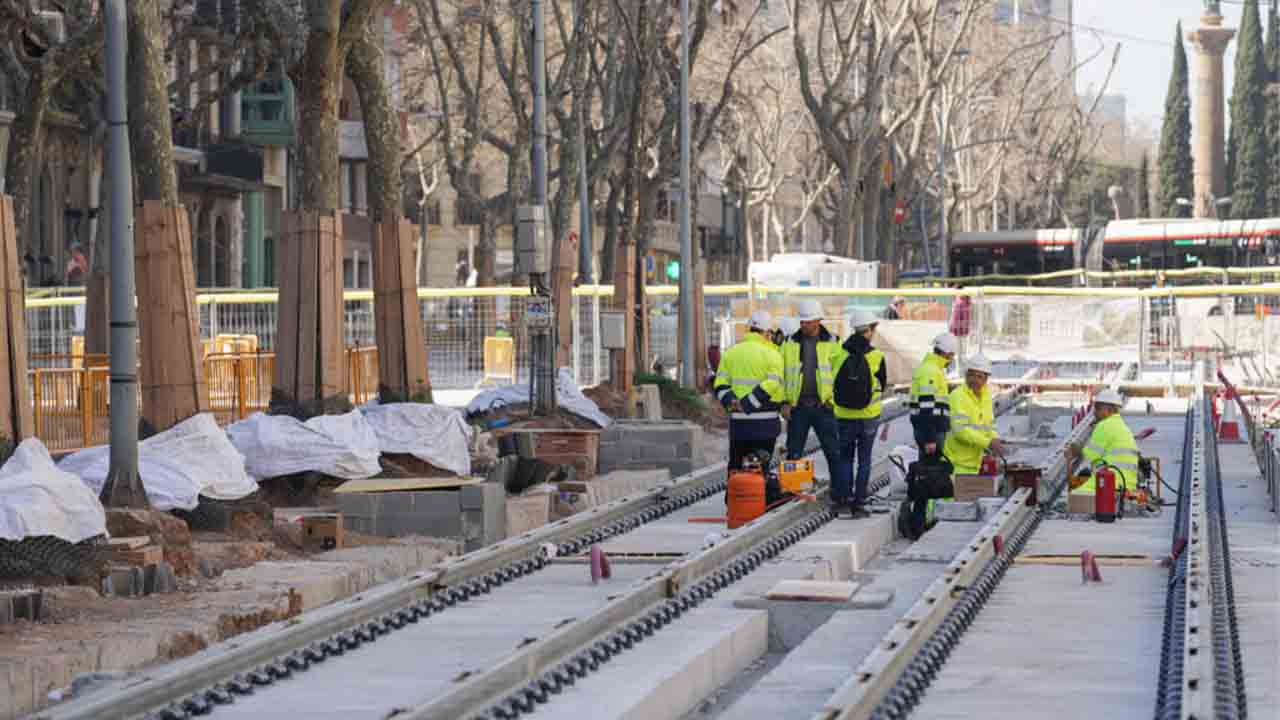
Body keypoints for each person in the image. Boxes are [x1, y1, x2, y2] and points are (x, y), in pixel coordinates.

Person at [778, 300, 841, 488]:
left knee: (833, 452)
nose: (803, 324)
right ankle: (793, 491)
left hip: (824, 407)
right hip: (797, 407)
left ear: (818, 320)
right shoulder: (789, 343)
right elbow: (780, 375)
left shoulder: (834, 342)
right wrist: (784, 402)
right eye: (802, 321)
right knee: (794, 453)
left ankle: (839, 493)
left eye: (807, 321)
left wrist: (833, 402)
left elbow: (841, 375)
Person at [831, 309, 887, 518]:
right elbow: (882, 384)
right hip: (868, 417)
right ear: (870, 330)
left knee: (845, 459)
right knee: (864, 460)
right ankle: (860, 503)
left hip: (844, 416)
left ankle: (844, 502)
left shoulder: (839, 353)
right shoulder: (877, 356)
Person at [714, 310, 785, 470]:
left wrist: (732, 402)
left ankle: (733, 495)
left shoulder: (731, 353)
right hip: (765, 425)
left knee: (736, 468)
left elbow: (720, 383)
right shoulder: (773, 354)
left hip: (739, 425)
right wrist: (748, 403)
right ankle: (761, 494)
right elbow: (773, 383)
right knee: (761, 470)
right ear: (767, 333)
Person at [1067, 389, 1139, 495]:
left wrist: (1074, 450)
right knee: (1083, 478)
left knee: (1075, 493)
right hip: (1127, 484)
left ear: (1108, 409)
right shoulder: (1120, 425)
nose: (1094, 412)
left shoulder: (1104, 425)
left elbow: (1089, 456)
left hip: (1111, 483)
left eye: (1097, 408)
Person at [943, 354, 1006, 474]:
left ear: (986, 379)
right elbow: (961, 431)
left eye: (979, 376)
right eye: (971, 375)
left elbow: (989, 424)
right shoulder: (957, 397)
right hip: (956, 465)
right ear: (966, 375)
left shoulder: (985, 396)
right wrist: (988, 443)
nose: (974, 380)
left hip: (975, 463)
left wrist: (994, 437)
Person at [909, 332, 958, 455]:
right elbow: (927, 407)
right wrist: (930, 438)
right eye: (952, 355)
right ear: (947, 353)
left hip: (928, 429)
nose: (952, 359)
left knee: (929, 470)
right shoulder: (931, 371)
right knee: (932, 471)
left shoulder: (931, 368)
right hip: (932, 431)